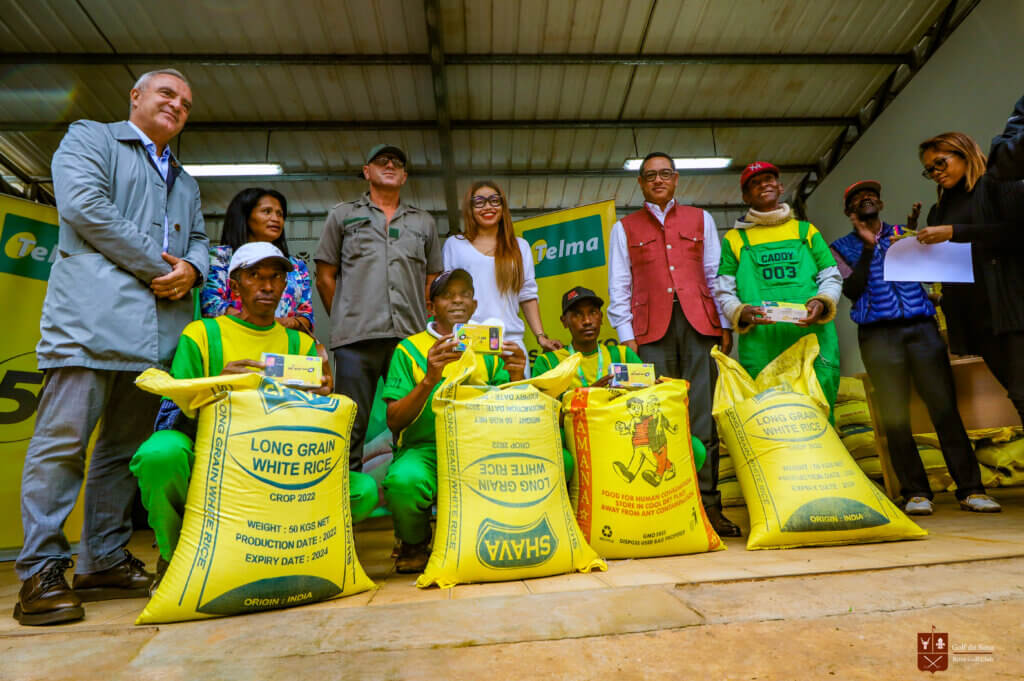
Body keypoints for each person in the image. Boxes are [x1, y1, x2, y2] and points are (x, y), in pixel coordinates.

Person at [14, 69, 209, 626]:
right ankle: (40, 571)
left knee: (121, 452)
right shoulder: (91, 138)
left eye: (186, 103)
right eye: (167, 93)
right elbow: (84, 208)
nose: (177, 105)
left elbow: (196, 237)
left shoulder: (186, 180)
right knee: (62, 444)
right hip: (89, 324)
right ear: (137, 97)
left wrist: (192, 267)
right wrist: (162, 269)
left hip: (154, 335)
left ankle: (101, 559)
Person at [130, 243, 379, 590]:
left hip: (276, 465)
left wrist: (323, 399)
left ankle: (290, 552)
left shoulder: (302, 345)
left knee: (362, 490)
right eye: (255, 276)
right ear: (235, 285)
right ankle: (174, 559)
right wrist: (219, 384)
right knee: (162, 454)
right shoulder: (202, 334)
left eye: (275, 277)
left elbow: (313, 426)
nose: (267, 286)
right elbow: (177, 411)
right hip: (214, 466)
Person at [830, 181, 998, 514]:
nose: (866, 199)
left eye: (871, 194)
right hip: (878, 337)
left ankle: (970, 489)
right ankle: (915, 493)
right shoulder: (839, 247)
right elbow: (852, 289)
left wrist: (917, 239)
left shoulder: (905, 234)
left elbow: (932, 272)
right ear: (849, 211)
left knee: (944, 408)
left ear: (880, 201)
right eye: (857, 197)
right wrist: (866, 248)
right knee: (895, 416)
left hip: (922, 330)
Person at [607, 152, 738, 537]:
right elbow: (620, 284)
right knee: (656, 423)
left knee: (702, 419)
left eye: (665, 174)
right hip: (650, 332)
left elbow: (714, 272)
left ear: (676, 179)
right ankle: (670, 506)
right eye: (651, 175)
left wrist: (724, 321)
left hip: (700, 325)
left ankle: (709, 506)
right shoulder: (624, 227)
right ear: (641, 183)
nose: (658, 180)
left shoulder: (701, 219)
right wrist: (626, 337)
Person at [381, 269, 526, 573]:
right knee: (403, 482)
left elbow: (512, 410)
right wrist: (428, 380)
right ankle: (414, 542)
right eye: (447, 295)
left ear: (474, 305)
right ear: (431, 307)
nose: (457, 300)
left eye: (464, 294)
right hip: (427, 449)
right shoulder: (409, 349)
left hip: (482, 445)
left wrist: (515, 374)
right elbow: (394, 421)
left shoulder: (489, 347)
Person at [314, 144, 443, 472]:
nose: (390, 164)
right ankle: (348, 501)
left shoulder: (423, 222)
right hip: (355, 339)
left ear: (404, 176)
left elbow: (433, 280)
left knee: (417, 421)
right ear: (367, 171)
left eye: (397, 163)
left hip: (409, 340)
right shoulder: (342, 216)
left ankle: (413, 494)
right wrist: (344, 317)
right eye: (381, 161)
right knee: (351, 424)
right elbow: (325, 276)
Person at [916, 94, 1024, 428]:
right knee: (1017, 397)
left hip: (1012, 311)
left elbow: (1017, 234)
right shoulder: (939, 210)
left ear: (963, 153)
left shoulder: (997, 184)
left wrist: (955, 231)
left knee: (1023, 394)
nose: (935, 172)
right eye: (928, 170)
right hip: (976, 318)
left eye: (940, 163)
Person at [713, 161, 842, 415]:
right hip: (763, 345)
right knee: (773, 418)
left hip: (812, 338)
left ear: (781, 187)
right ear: (745, 196)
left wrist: (823, 301)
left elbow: (831, 276)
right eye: (754, 183)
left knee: (819, 411)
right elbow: (723, 290)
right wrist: (740, 311)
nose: (763, 185)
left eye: (769, 179)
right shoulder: (735, 239)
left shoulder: (805, 231)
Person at [443, 181, 562, 372]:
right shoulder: (454, 245)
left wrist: (541, 336)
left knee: (514, 400)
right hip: (468, 341)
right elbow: (446, 298)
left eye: (494, 200)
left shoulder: (520, 246)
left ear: (503, 206)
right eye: (479, 202)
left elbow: (528, 295)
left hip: (509, 343)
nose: (488, 206)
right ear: (470, 208)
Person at [533, 286, 644, 484]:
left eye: (592, 313)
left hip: (621, 435)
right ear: (564, 321)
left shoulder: (623, 355)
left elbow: (648, 400)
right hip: (577, 441)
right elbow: (543, 419)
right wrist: (588, 397)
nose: (586, 321)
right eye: (577, 315)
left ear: (601, 317)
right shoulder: (549, 363)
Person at [201, 187, 314, 333]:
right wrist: (258, 325)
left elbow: (307, 316)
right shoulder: (220, 257)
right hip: (233, 341)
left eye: (280, 214)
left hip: (283, 346)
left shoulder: (296, 266)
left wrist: (282, 324)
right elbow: (210, 306)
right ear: (245, 216)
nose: (276, 218)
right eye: (267, 211)